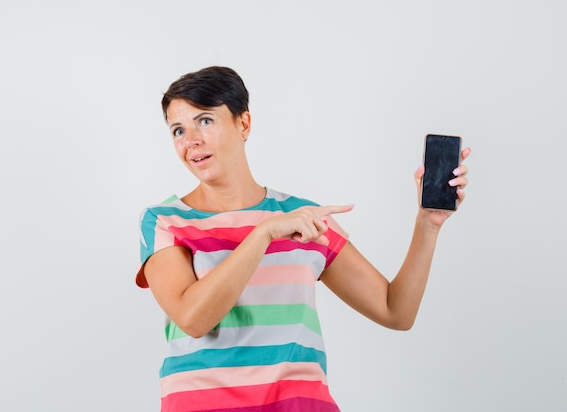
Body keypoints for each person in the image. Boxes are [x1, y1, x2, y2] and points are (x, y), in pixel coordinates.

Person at [135, 66, 471, 412]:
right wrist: (264, 232)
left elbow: (395, 311)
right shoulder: (166, 221)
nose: (191, 140)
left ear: (243, 123)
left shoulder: (303, 218)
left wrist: (428, 223)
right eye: (178, 129)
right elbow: (193, 319)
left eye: (205, 121)